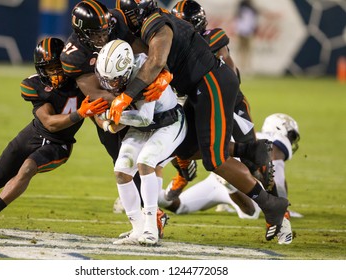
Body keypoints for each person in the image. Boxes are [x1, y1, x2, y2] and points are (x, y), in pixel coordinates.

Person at [109, 0, 288, 242]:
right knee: (185, 147)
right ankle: (251, 150)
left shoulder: (156, 23)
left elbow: (156, 61)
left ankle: (271, 205)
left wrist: (127, 95)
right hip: (199, 88)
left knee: (216, 160)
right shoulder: (153, 22)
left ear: (134, 13)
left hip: (210, 83)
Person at [0, 37, 108, 232]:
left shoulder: (80, 81)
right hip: (33, 135)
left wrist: (105, 124)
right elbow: (49, 123)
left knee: (28, 167)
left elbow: (92, 110)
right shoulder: (34, 85)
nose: (55, 73)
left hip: (59, 145)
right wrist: (81, 113)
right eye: (50, 68)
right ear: (41, 69)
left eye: (58, 66)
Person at [60, 0, 169, 239]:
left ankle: (154, 212)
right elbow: (95, 93)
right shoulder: (74, 55)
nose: (103, 35)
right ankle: (144, 218)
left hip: (135, 92)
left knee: (151, 146)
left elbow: (143, 55)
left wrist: (157, 76)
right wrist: (123, 102)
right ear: (81, 33)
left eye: (105, 29)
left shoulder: (115, 22)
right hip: (106, 104)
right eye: (96, 33)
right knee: (120, 156)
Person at [166, 0, 270, 217]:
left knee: (251, 155)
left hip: (229, 102)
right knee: (179, 141)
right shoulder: (172, 47)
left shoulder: (212, 39)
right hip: (199, 102)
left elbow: (232, 77)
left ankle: (271, 196)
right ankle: (186, 172)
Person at [94, 39, 187, 246]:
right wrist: (109, 123)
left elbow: (144, 116)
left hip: (169, 122)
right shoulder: (118, 73)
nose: (111, 85)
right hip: (145, 124)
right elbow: (123, 120)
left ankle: (151, 228)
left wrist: (113, 115)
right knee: (121, 169)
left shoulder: (146, 71)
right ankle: (137, 229)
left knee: (146, 162)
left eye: (115, 79)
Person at [158, 113, 301, 245]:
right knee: (251, 213)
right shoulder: (275, 145)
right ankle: (229, 186)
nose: (292, 140)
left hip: (221, 172)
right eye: (292, 135)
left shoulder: (254, 136)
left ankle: (151, 196)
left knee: (180, 206)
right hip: (244, 183)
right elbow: (278, 181)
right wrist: (282, 202)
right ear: (281, 129)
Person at [235, 0, 259, 76]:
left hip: (248, 32)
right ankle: (242, 68)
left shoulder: (251, 10)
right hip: (242, 32)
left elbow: (253, 22)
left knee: (247, 51)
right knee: (242, 51)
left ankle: (247, 68)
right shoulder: (242, 9)